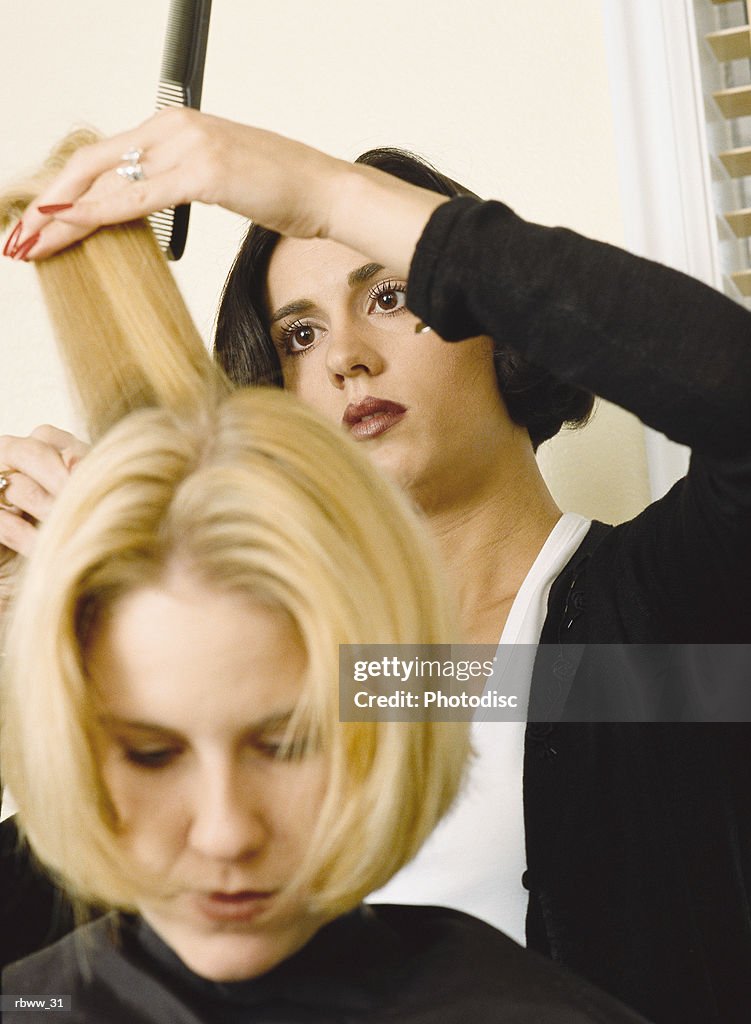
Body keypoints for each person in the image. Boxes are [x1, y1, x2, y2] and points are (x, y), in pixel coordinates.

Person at [3, 108, 751, 1023]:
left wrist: (322, 193)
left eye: (389, 297)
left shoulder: (669, 627)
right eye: (299, 337)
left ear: (496, 323)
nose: (348, 359)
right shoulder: (279, 681)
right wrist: (61, 645)